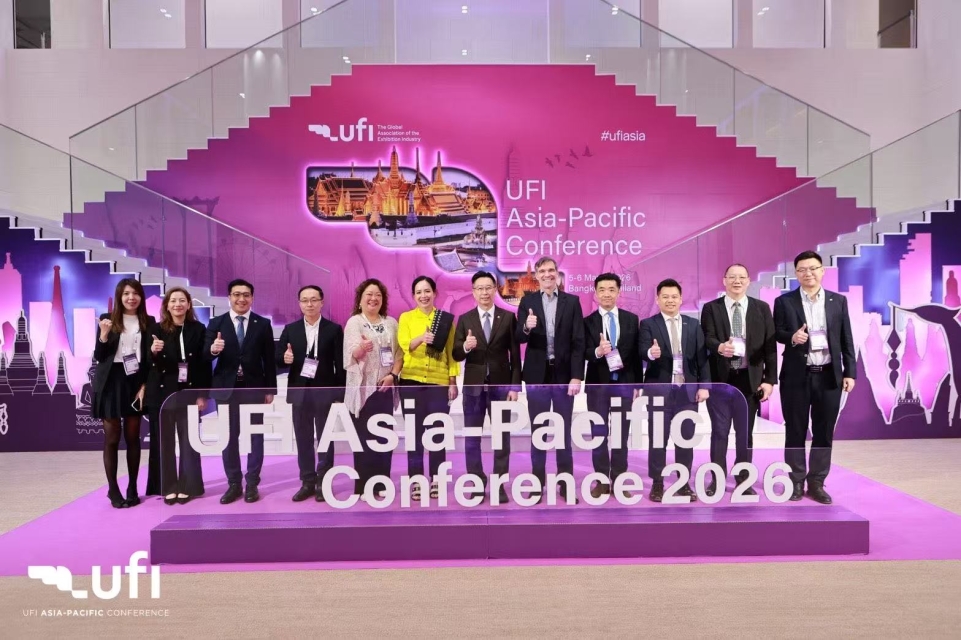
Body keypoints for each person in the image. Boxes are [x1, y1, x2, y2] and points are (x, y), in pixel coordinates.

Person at [774, 251, 856, 505]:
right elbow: (776, 332)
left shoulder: (837, 301)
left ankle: (817, 482)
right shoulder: (784, 301)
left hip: (829, 376)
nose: (807, 273)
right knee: (795, 430)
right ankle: (796, 481)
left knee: (824, 431)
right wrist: (791, 337)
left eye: (812, 268)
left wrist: (850, 372)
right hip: (796, 376)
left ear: (822, 271)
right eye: (802, 269)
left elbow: (846, 338)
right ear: (796, 273)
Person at [700, 264, 777, 497]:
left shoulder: (761, 308)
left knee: (745, 434)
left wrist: (769, 380)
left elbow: (770, 348)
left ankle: (744, 480)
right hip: (721, 380)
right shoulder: (711, 308)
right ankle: (717, 479)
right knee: (719, 432)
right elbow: (706, 338)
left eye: (741, 277)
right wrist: (719, 347)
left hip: (749, 380)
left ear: (748, 280)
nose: (737, 281)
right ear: (724, 280)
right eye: (732, 277)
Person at [516, 256, 585, 502]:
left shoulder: (572, 302)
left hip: (564, 375)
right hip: (537, 375)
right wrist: (526, 326)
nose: (547, 274)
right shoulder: (528, 301)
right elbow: (519, 338)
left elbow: (579, 342)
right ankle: (537, 485)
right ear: (536, 275)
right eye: (542, 271)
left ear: (557, 273)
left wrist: (576, 376)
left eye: (551, 270)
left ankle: (565, 485)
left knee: (563, 431)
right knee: (539, 431)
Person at [204, 279, 277, 505]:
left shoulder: (262, 324)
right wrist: (213, 350)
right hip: (226, 389)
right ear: (229, 297)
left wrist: (270, 389)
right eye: (236, 294)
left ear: (252, 298)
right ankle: (234, 483)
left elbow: (269, 360)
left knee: (256, 437)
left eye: (246, 295)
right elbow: (205, 354)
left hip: (254, 388)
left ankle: (252, 482)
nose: (241, 299)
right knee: (229, 437)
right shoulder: (216, 323)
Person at [452, 271, 521, 503]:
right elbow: (456, 353)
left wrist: (515, 387)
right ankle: (477, 484)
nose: (484, 292)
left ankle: (500, 485)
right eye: (479, 288)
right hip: (473, 389)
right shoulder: (465, 319)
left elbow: (515, 356)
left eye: (488, 287)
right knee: (472, 439)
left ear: (495, 289)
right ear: (473, 292)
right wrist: (466, 346)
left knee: (502, 438)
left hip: (501, 388)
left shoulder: (508, 317)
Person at [639, 278, 710, 503]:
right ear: (657, 299)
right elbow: (641, 350)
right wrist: (650, 354)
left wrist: (704, 386)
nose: (670, 300)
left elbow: (702, 358)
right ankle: (657, 483)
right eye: (665, 297)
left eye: (674, 297)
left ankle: (683, 483)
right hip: (659, 391)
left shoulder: (693, 324)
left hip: (687, 392)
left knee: (685, 440)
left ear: (680, 299)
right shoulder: (648, 324)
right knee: (657, 440)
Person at [276, 285, 345, 503]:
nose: (309, 304)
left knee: (325, 439)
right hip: (299, 392)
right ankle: (307, 482)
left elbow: (340, 364)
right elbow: (278, 358)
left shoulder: (333, 329)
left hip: (324, 391)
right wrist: (284, 359)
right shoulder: (290, 329)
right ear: (299, 304)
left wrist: (339, 393)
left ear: (322, 302)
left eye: (314, 300)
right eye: (305, 300)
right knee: (303, 439)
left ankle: (324, 482)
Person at [91, 278, 154, 508]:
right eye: (126, 293)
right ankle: (113, 488)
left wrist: (144, 385)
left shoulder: (148, 321)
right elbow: (99, 356)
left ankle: (132, 487)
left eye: (135, 293)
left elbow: (149, 358)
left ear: (141, 297)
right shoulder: (107, 318)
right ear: (120, 296)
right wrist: (103, 335)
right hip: (110, 381)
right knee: (112, 438)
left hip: (135, 380)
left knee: (133, 437)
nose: (131, 298)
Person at [145, 286, 211, 505]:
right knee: (163, 443)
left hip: (188, 393)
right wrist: (153, 352)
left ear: (189, 305)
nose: (178, 304)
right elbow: (148, 364)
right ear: (166, 305)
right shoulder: (155, 329)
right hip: (161, 394)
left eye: (182, 300)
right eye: (173, 301)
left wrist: (202, 394)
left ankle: (188, 486)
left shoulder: (198, 329)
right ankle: (168, 486)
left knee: (189, 442)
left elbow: (203, 364)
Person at [397, 276, 459, 500]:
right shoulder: (406, 318)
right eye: (419, 292)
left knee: (437, 434)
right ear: (413, 296)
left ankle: (437, 479)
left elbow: (452, 354)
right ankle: (416, 480)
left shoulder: (446, 320)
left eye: (427, 291)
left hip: (438, 384)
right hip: (411, 382)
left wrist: (452, 382)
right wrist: (421, 338)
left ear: (435, 293)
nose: (423, 296)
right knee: (414, 435)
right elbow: (405, 345)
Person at [583, 273, 642, 499]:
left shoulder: (631, 319)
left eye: (611, 289)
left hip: (624, 385)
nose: (606, 294)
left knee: (620, 434)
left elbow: (636, 355)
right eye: (602, 290)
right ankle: (601, 480)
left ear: (618, 292)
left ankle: (618, 479)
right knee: (599, 434)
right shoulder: (587, 322)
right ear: (595, 293)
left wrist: (637, 384)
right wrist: (598, 351)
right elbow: (582, 352)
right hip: (598, 386)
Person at [343, 279, 403, 499]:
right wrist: (361, 348)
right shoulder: (354, 322)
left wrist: (392, 376)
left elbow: (399, 354)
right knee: (363, 439)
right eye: (369, 294)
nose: (373, 298)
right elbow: (350, 355)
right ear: (360, 299)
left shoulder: (391, 323)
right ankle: (363, 486)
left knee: (384, 438)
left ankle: (381, 483)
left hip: (385, 388)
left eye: (378, 294)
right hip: (363, 390)